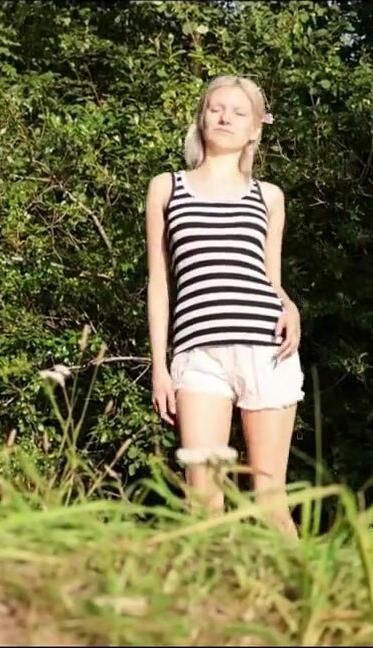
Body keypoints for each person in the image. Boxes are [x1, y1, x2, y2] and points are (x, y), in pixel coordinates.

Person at [143, 75, 303, 538]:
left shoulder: (268, 196)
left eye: (238, 111)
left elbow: (271, 280)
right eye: (216, 108)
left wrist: (290, 306)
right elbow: (159, 283)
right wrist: (160, 368)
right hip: (198, 356)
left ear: (254, 129)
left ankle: (304, 585)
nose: (225, 118)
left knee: (269, 500)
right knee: (203, 502)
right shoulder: (166, 188)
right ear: (202, 118)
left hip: (267, 350)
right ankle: (207, 587)